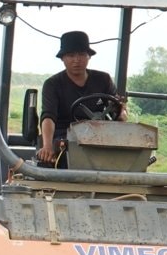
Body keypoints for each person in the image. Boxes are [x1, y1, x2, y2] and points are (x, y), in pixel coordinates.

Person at [37, 30, 122, 165]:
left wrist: (122, 113)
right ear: (63, 58)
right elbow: (48, 116)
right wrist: (47, 146)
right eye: (71, 55)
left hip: (99, 137)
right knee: (60, 153)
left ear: (89, 57)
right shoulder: (52, 84)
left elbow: (118, 108)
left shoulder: (103, 80)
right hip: (65, 138)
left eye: (82, 54)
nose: (77, 60)